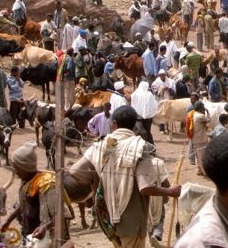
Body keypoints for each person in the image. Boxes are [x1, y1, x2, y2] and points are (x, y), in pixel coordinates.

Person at [69, 106, 181, 247]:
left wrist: (98, 181)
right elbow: (145, 188)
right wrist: (170, 191)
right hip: (132, 224)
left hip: (108, 220)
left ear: (113, 123)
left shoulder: (108, 145)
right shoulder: (139, 147)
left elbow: (75, 171)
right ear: (134, 125)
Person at [0, 142, 71, 244]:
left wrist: (45, 227)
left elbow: (61, 215)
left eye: (17, 168)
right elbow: (23, 204)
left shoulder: (47, 185)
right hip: (29, 236)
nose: (15, 171)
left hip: (46, 240)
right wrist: (8, 220)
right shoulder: (26, 182)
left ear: (24, 167)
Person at [186, 101, 210, 175]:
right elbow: (209, 120)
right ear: (200, 108)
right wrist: (207, 112)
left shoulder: (193, 114)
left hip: (195, 138)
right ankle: (205, 172)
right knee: (202, 156)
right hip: (200, 139)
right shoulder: (200, 116)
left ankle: (199, 170)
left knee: (198, 155)